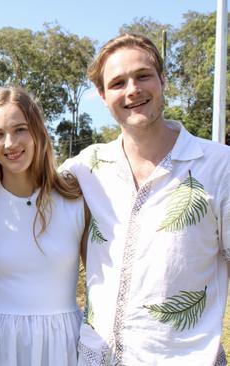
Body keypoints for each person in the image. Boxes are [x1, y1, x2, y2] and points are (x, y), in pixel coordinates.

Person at [61, 33, 230, 365]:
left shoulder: (220, 166)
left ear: (163, 79)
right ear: (102, 95)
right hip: (96, 357)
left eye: (142, 76)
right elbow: (21, 192)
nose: (132, 90)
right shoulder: (86, 166)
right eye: (118, 83)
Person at [0, 87, 87, 366]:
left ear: (37, 131)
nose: (9, 143)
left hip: (63, 344)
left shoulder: (77, 199)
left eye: (20, 129)